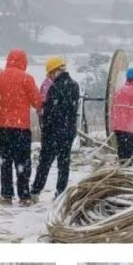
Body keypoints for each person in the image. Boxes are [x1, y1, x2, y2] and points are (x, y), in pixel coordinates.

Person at [0, 49, 41, 206]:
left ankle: (6, 195)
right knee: (22, 161)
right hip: (21, 126)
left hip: (2, 126)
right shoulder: (27, 79)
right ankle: (24, 196)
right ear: (24, 62)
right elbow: (37, 102)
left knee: (5, 161)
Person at [31, 57, 80, 200]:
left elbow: (49, 114)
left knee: (45, 163)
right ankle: (60, 194)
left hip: (53, 133)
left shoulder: (54, 88)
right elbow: (72, 110)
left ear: (55, 71)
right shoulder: (74, 85)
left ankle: (35, 191)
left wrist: (45, 130)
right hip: (68, 131)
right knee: (64, 165)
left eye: (50, 73)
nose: (49, 76)